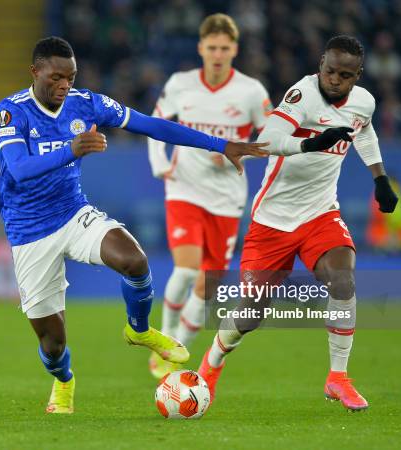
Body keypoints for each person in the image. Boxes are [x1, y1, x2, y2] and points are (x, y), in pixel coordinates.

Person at [0, 36, 270, 414]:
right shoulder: (12, 111)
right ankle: (63, 380)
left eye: (70, 78)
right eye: (56, 77)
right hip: (29, 232)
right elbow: (20, 170)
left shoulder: (86, 103)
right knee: (53, 344)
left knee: (134, 260)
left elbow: (152, 125)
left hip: (73, 213)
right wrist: (71, 150)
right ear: (35, 72)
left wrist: (220, 145)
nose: (64, 85)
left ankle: (139, 330)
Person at [198, 35, 399, 412]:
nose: (335, 80)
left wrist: (379, 178)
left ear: (357, 76)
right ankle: (212, 363)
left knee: (343, 280)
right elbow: (267, 141)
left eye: (345, 75)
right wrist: (312, 143)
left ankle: (338, 377)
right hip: (272, 221)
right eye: (330, 71)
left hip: (321, 213)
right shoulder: (302, 96)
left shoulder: (364, 102)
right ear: (320, 63)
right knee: (251, 312)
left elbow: (365, 131)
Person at [147, 13, 272, 378]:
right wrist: (161, 165)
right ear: (201, 48)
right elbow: (155, 123)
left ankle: (180, 341)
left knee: (209, 285)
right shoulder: (181, 84)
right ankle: (166, 338)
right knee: (186, 270)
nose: (218, 54)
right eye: (212, 47)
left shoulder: (251, 92)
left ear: (235, 49)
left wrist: (240, 150)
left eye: (225, 48)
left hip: (227, 196)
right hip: (184, 187)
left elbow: (271, 139)